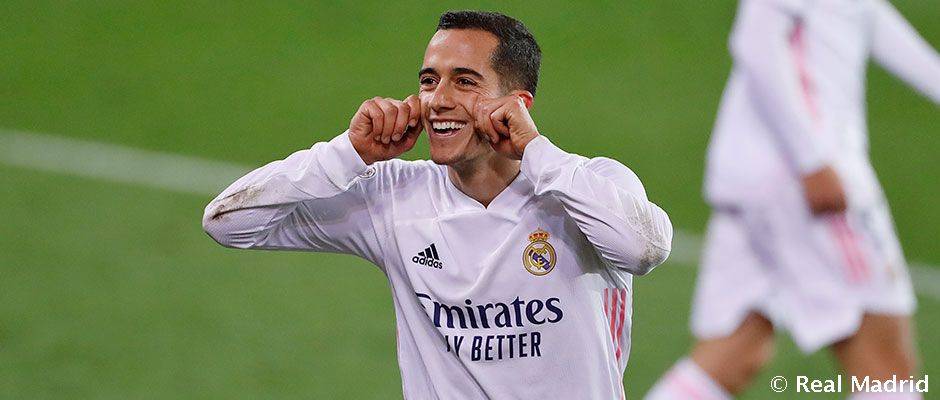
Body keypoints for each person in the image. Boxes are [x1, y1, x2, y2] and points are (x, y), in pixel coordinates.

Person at [202, 10, 673, 399]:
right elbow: (228, 223)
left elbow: (644, 249)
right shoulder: (393, 196)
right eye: (429, 81)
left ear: (518, 104)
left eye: (464, 82)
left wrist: (535, 151)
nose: (437, 101)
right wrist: (348, 153)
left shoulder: (588, 185)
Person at [645, 0, 939, 399]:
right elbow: (756, 40)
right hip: (806, 179)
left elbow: (861, 12)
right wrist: (812, 159)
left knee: (734, 352)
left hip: (757, 177)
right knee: (886, 368)